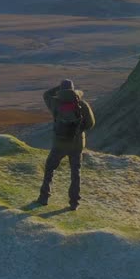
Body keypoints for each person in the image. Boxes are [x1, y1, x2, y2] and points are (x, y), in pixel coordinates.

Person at [36, 79, 96, 210]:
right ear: (73, 90)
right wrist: (78, 130)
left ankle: (44, 197)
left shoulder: (55, 103)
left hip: (59, 144)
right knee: (76, 173)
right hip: (76, 145)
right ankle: (74, 203)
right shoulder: (82, 104)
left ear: (61, 91)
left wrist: (59, 88)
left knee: (50, 169)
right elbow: (91, 124)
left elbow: (46, 94)